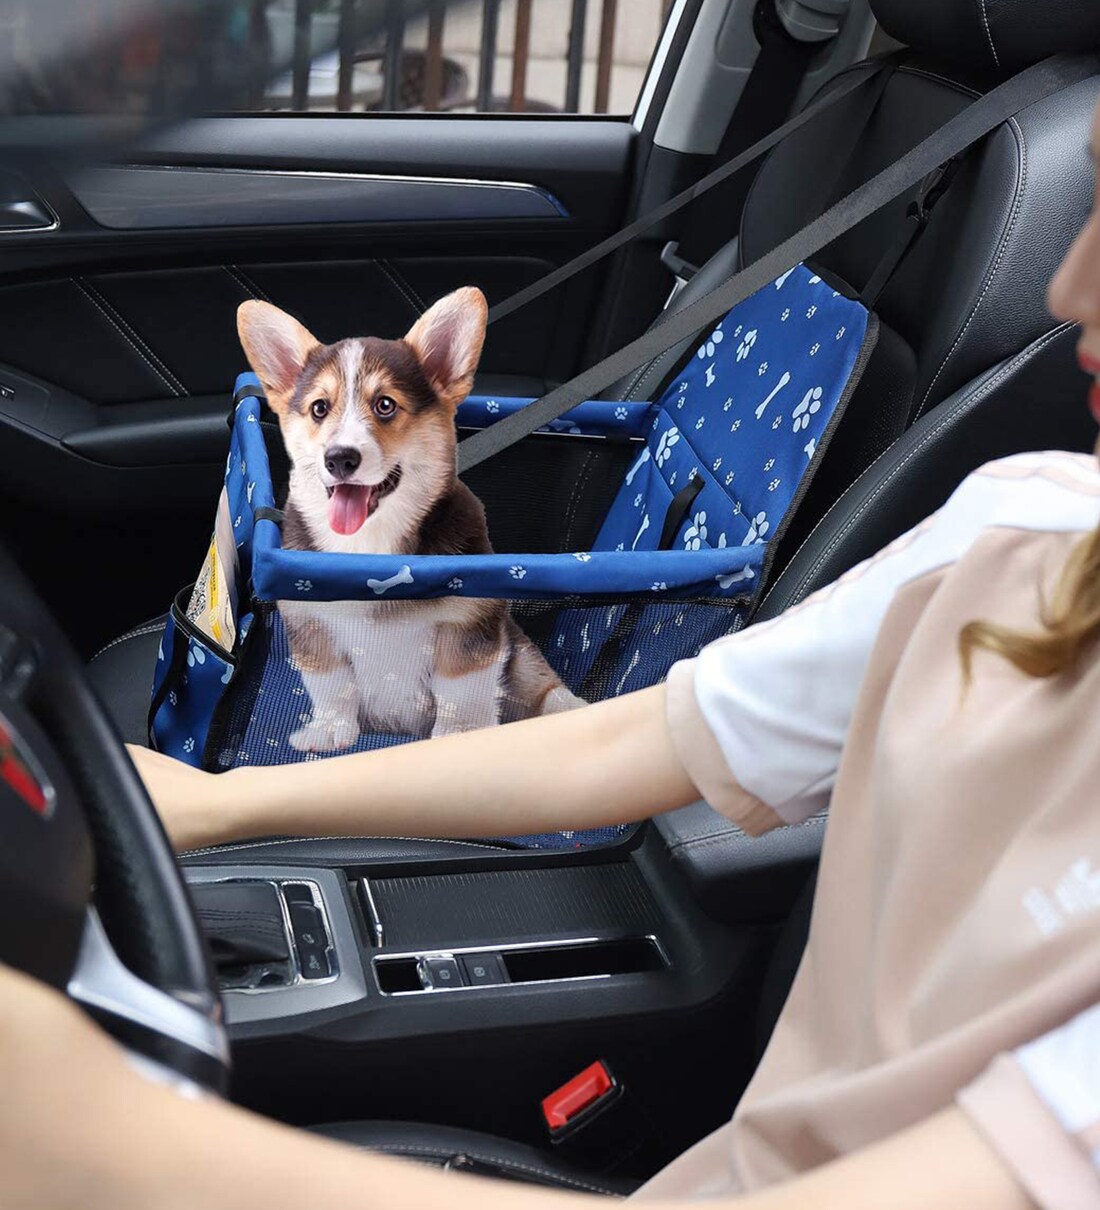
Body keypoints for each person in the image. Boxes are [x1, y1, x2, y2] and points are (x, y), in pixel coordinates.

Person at [6, 99, 1100, 1210]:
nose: (1067, 292)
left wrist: (108, 1143)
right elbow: (624, 738)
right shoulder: (1021, 539)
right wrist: (214, 803)